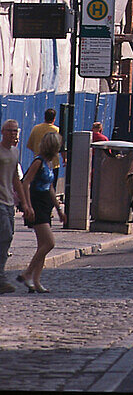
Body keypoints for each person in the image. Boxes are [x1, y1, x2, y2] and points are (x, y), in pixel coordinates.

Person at [20, 131, 66, 292]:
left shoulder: (49, 163)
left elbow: (51, 188)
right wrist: (28, 205)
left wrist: (59, 209)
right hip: (37, 205)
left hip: (46, 205)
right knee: (49, 243)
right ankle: (27, 273)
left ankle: (36, 281)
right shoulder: (38, 162)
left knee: (42, 246)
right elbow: (25, 182)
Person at [0, 119, 33, 294]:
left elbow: (16, 179)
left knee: (7, 238)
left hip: (8, 202)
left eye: (16, 131)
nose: (14, 134)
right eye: (11, 131)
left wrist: (25, 203)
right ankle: (1, 279)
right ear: (2, 132)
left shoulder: (15, 152)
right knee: (4, 235)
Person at [27, 107, 64, 188]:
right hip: (53, 164)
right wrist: (64, 158)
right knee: (51, 187)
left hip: (38, 163)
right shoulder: (57, 130)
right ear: (54, 119)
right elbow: (61, 148)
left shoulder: (36, 128)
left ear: (44, 117)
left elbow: (30, 145)